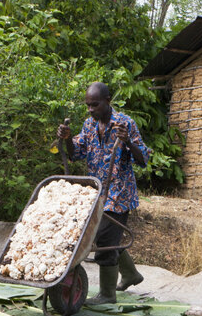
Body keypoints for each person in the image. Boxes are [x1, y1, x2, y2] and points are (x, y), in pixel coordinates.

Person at [57, 82, 152, 304]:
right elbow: (76, 153)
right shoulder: (89, 125)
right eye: (88, 105)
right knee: (108, 238)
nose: (90, 109)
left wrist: (128, 141)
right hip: (98, 193)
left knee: (103, 239)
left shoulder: (125, 123)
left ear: (108, 101)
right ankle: (130, 274)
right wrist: (67, 139)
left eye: (95, 105)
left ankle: (107, 294)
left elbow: (143, 159)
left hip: (119, 193)